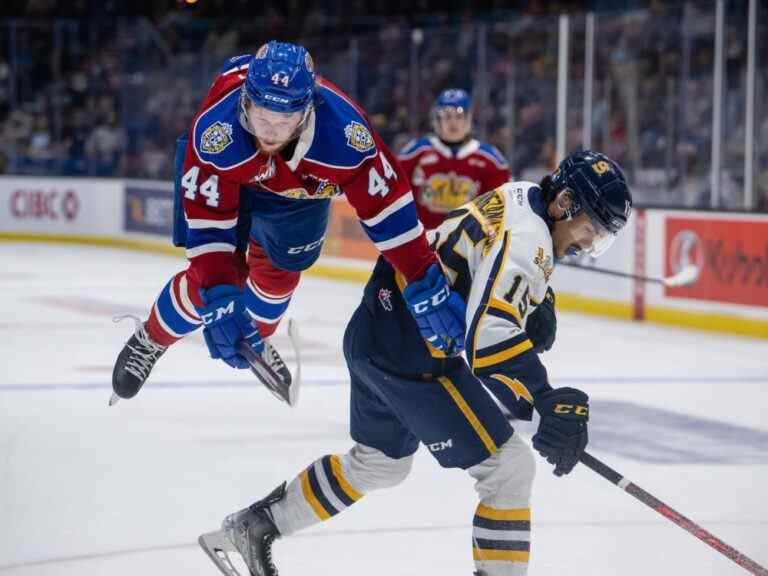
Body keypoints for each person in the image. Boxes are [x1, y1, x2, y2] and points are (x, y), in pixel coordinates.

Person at [198, 150, 633, 576]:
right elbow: (488, 341)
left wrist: (538, 301)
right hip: (411, 352)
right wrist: (544, 398)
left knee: (380, 464)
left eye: (600, 239)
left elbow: (481, 259)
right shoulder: (531, 241)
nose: (588, 245)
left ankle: (254, 526)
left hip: (375, 327)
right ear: (563, 204)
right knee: (509, 469)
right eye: (590, 230)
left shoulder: (524, 195)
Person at [110, 41, 466, 402]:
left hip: (296, 196)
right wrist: (219, 291)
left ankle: (257, 335)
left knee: (275, 289)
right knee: (208, 286)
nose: (271, 131)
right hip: (229, 175)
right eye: (262, 115)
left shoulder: (345, 136)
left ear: (308, 110)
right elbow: (211, 231)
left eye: (285, 121)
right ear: (245, 100)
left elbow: (388, 209)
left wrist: (422, 276)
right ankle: (152, 337)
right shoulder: (216, 134)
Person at [398, 89, 510, 231]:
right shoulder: (414, 153)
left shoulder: (491, 160)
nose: (453, 123)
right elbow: (395, 194)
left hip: (469, 246)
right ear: (437, 119)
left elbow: (502, 207)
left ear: (468, 119)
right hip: (423, 241)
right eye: (447, 116)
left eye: (459, 116)